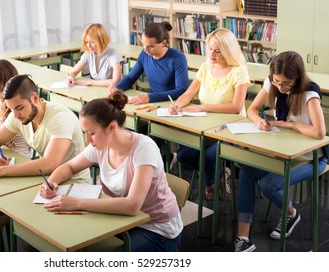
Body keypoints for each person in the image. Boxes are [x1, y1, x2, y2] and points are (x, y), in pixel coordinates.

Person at [39, 90, 183, 252]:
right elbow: (70, 167)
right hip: (119, 220)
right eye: (85, 133)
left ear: (111, 127)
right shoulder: (101, 145)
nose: (87, 140)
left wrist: (76, 203)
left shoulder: (144, 148)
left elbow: (132, 206)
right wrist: (52, 181)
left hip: (156, 228)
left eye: (91, 133)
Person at [234, 51, 327, 252]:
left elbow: (319, 132)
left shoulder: (310, 93)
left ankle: (291, 213)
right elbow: (252, 109)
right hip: (283, 151)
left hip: (311, 157)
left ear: (298, 78)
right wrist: (259, 120)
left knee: (269, 184)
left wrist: (290, 124)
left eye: (286, 83)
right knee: (247, 173)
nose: (280, 87)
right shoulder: (272, 83)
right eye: (277, 81)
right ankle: (242, 238)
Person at [169, 28, 251, 200]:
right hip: (206, 126)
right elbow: (189, 94)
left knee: (209, 155)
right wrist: (176, 105)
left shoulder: (239, 71)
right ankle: (222, 174)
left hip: (232, 128)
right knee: (183, 155)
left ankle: (210, 185)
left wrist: (203, 107)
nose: (212, 54)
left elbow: (237, 107)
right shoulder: (206, 68)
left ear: (228, 50)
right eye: (210, 49)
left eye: (218, 51)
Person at [0, 74, 90, 182]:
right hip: (44, 180)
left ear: (35, 98)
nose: (15, 114)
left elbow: (50, 163)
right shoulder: (18, 115)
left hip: (74, 182)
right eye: (11, 108)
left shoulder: (59, 118)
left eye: (19, 108)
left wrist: (0, 171)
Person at [112, 21, 189, 105]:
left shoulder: (178, 58)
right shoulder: (144, 54)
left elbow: (182, 90)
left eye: (150, 46)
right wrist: (117, 88)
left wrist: (150, 97)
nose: (145, 50)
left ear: (163, 43)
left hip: (173, 104)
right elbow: (130, 78)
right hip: (154, 102)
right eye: (143, 45)